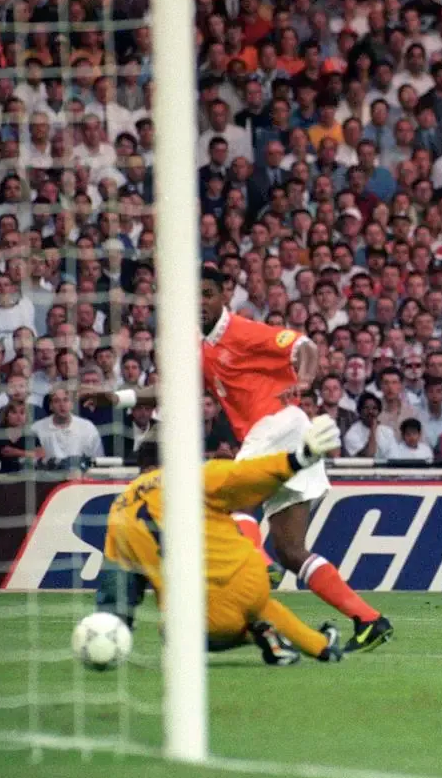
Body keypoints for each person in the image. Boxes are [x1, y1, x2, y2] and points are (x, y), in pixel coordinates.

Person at [88, 267, 391, 652]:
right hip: (281, 439)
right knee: (291, 550)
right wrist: (118, 398)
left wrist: (304, 380)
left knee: (228, 496)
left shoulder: (242, 331)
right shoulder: (202, 348)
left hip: (278, 424)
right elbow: (172, 390)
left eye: (208, 293)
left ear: (223, 296)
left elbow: (306, 347)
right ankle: (368, 619)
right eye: (194, 295)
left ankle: (257, 561)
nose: (201, 302)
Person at [103, 418, 344, 665]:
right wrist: (296, 460)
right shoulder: (192, 476)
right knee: (262, 609)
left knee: (171, 630)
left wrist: (114, 626)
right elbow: (244, 474)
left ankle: (256, 636)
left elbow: (118, 582)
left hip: (204, 611)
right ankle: (321, 646)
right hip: (249, 577)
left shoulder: (119, 509)